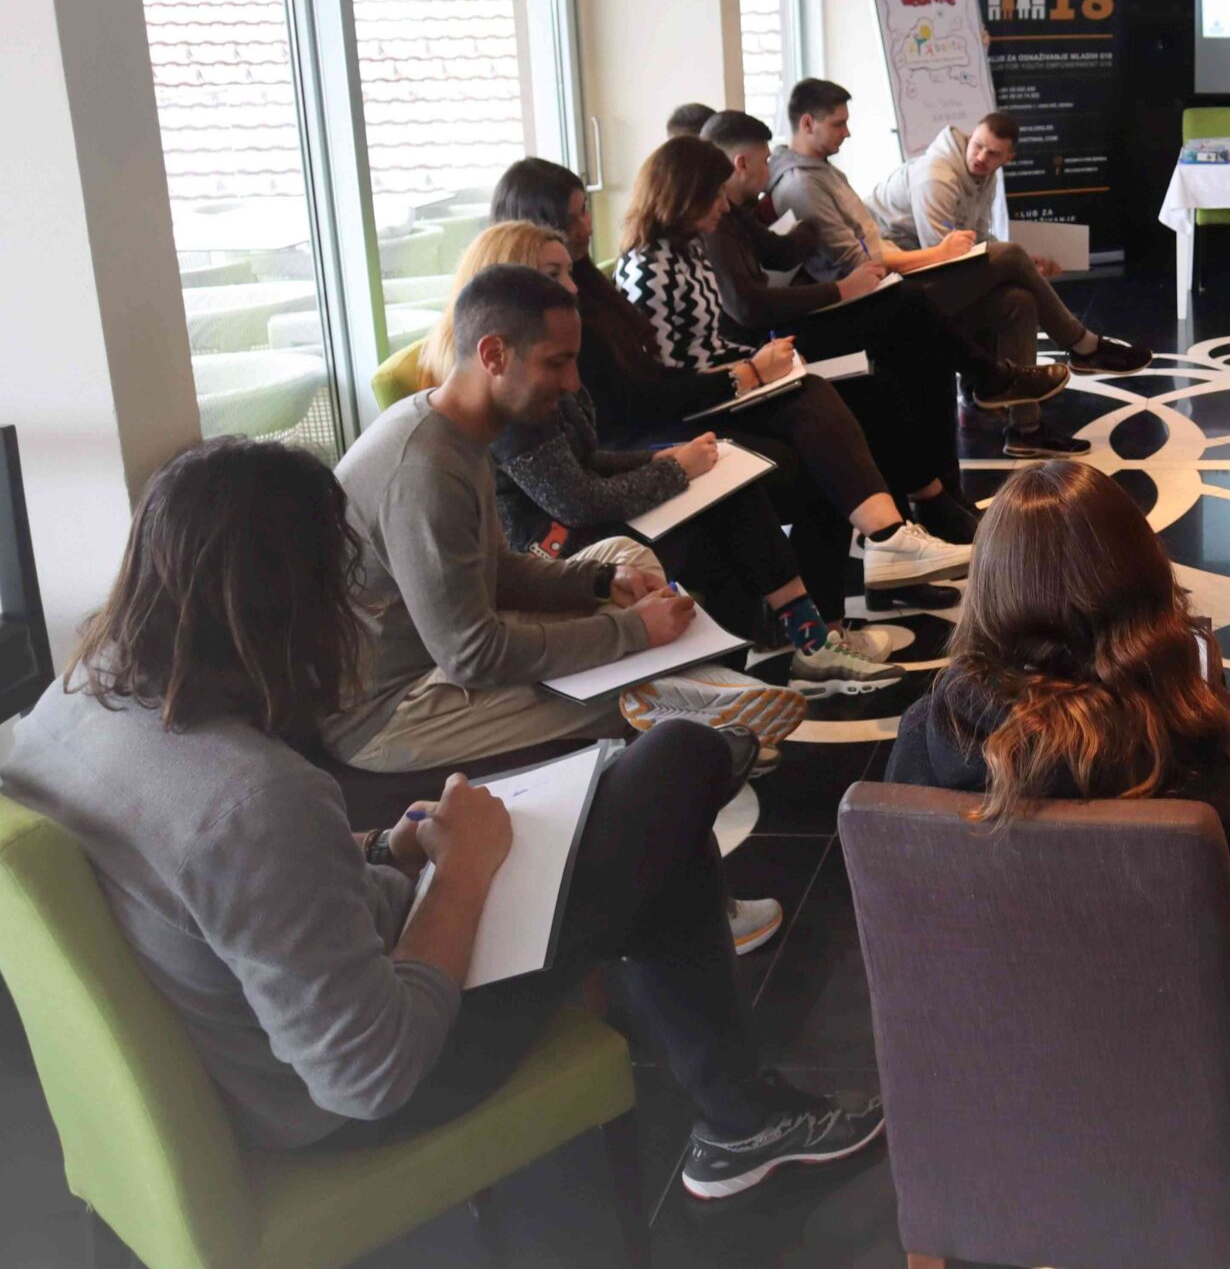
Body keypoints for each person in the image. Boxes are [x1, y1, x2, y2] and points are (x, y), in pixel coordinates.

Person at [0, 438, 881, 1195]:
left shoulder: (60, 711)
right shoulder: (250, 797)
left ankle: (741, 1113)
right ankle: (740, 1113)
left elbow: (211, 893)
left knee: (643, 807)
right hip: (352, 1093)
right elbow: (369, 1075)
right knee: (675, 763)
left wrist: (384, 847)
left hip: (270, 1027)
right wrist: (462, 872)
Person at [887, 460, 1230, 1023]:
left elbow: (906, 932)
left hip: (979, 1055)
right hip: (1178, 1067)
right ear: (1150, 582)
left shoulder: (926, 738)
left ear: (986, 594)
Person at [326, 264, 809, 783]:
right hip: (396, 708)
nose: (573, 383)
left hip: (445, 649)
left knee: (624, 557)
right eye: (556, 363)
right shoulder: (426, 471)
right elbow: (473, 654)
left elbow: (497, 572)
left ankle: (694, 699)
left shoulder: (458, 430)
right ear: (494, 355)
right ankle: (697, 724)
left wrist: (599, 582)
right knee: (616, 692)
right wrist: (631, 630)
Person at [422, 222, 898, 690]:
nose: (572, 285)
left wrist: (659, 461)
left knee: (728, 492)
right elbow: (576, 502)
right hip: (553, 545)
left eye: (568, 271)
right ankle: (771, 661)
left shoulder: (537, 374)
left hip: (575, 523)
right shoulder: (515, 399)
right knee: (717, 523)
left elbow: (587, 459)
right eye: (553, 275)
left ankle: (786, 654)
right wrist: (672, 469)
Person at [490, 157, 958, 611]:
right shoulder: (635, 276)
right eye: (576, 215)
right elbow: (630, 414)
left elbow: (656, 375)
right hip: (655, 425)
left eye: (585, 211)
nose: (588, 225)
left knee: (850, 395)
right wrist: (741, 378)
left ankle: (891, 544)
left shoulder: (614, 278)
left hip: (672, 409)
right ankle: (828, 610)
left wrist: (747, 372)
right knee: (804, 453)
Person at [611, 137, 984, 591]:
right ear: (684, 194)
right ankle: (892, 536)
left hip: (725, 382)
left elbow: (708, 342)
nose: (724, 206)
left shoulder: (688, 250)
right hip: (700, 403)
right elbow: (667, 378)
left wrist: (760, 364)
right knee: (819, 404)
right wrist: (750, 372)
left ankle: (905, 533)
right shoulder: (647, 271)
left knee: (871, 392)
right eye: (714, 195)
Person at [768, 82, 1148, 460]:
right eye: (839, 124)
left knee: (1019, 300)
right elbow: (867, 263)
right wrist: (951, 253)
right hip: (883, 296)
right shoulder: (808, 184)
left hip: (897, 278)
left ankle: (1026, 430)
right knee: (1012, 257)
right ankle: (1083, 347)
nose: (848, 132)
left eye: (993, 153)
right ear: (808, 123)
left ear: (1007, 158)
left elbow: (969, 242)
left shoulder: (822, 172)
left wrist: (1014, 267)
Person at [695, 110, 1073, 472]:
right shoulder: (732, 213)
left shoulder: (741, 207)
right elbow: (750, 307)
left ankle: (997, 421)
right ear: (741, 164)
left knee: (1009, 302)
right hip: (774, 339)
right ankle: (1013, 373)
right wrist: (840, 289)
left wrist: (810, 226)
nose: (847, 132)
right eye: (840, 123)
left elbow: (779, 252)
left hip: (796, 319)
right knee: (916, 305)